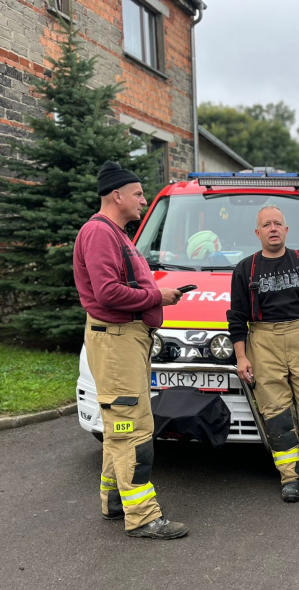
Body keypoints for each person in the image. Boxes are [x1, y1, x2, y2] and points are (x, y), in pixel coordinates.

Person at [73, 160, 189, 540]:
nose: (142, 200)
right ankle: (142, 517)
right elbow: (107, 292)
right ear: (116, 196)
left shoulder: (115, 233)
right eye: (138, 194)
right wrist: (158, 296)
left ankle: (114, 501)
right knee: (130, 426)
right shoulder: (100, 233)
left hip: (125, 340)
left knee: (118, 423)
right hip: (117, 341)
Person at [228, 206, 299, 502]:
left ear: (286, 230)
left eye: (278, 223)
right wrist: (241, 357)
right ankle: (289, 477)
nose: (273, 228)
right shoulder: (244, 269)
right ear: (258, 233)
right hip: (262, 340)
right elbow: (236, 318)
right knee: (276, 412)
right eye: (267, 224)